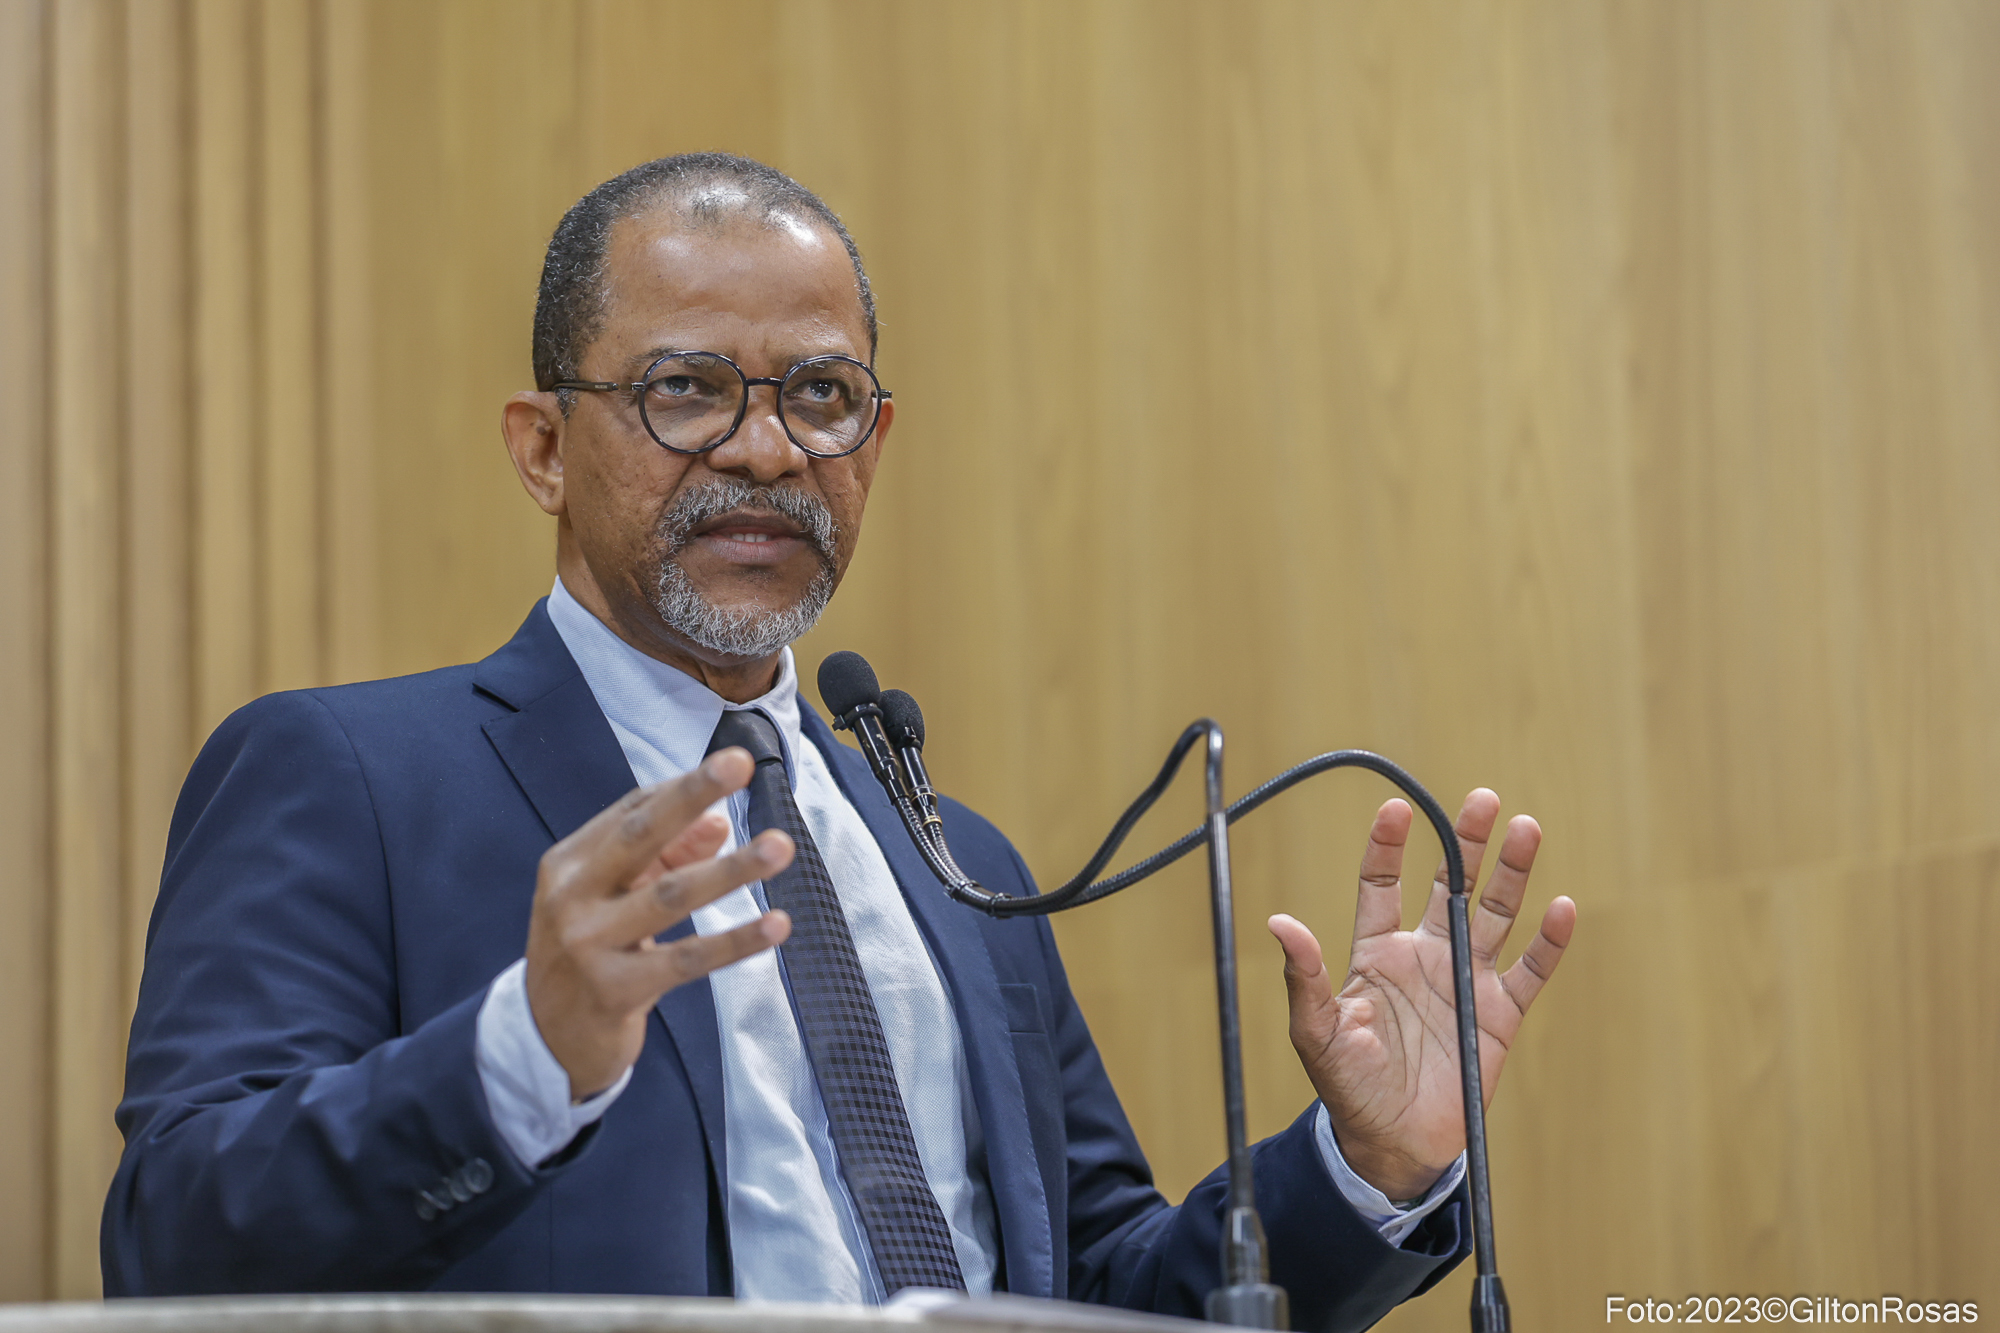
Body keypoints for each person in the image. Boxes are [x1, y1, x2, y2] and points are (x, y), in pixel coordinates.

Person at [102, 153, 1576, 1331]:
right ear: (544, 448)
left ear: (873, 442)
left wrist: (1364, 1166)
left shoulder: (957, 861)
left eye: (820, 395)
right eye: (686, 389)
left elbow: (1093, 1294)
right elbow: (173, 1239)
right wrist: (518, 1059)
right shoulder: (349, 777)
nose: (765, 450)